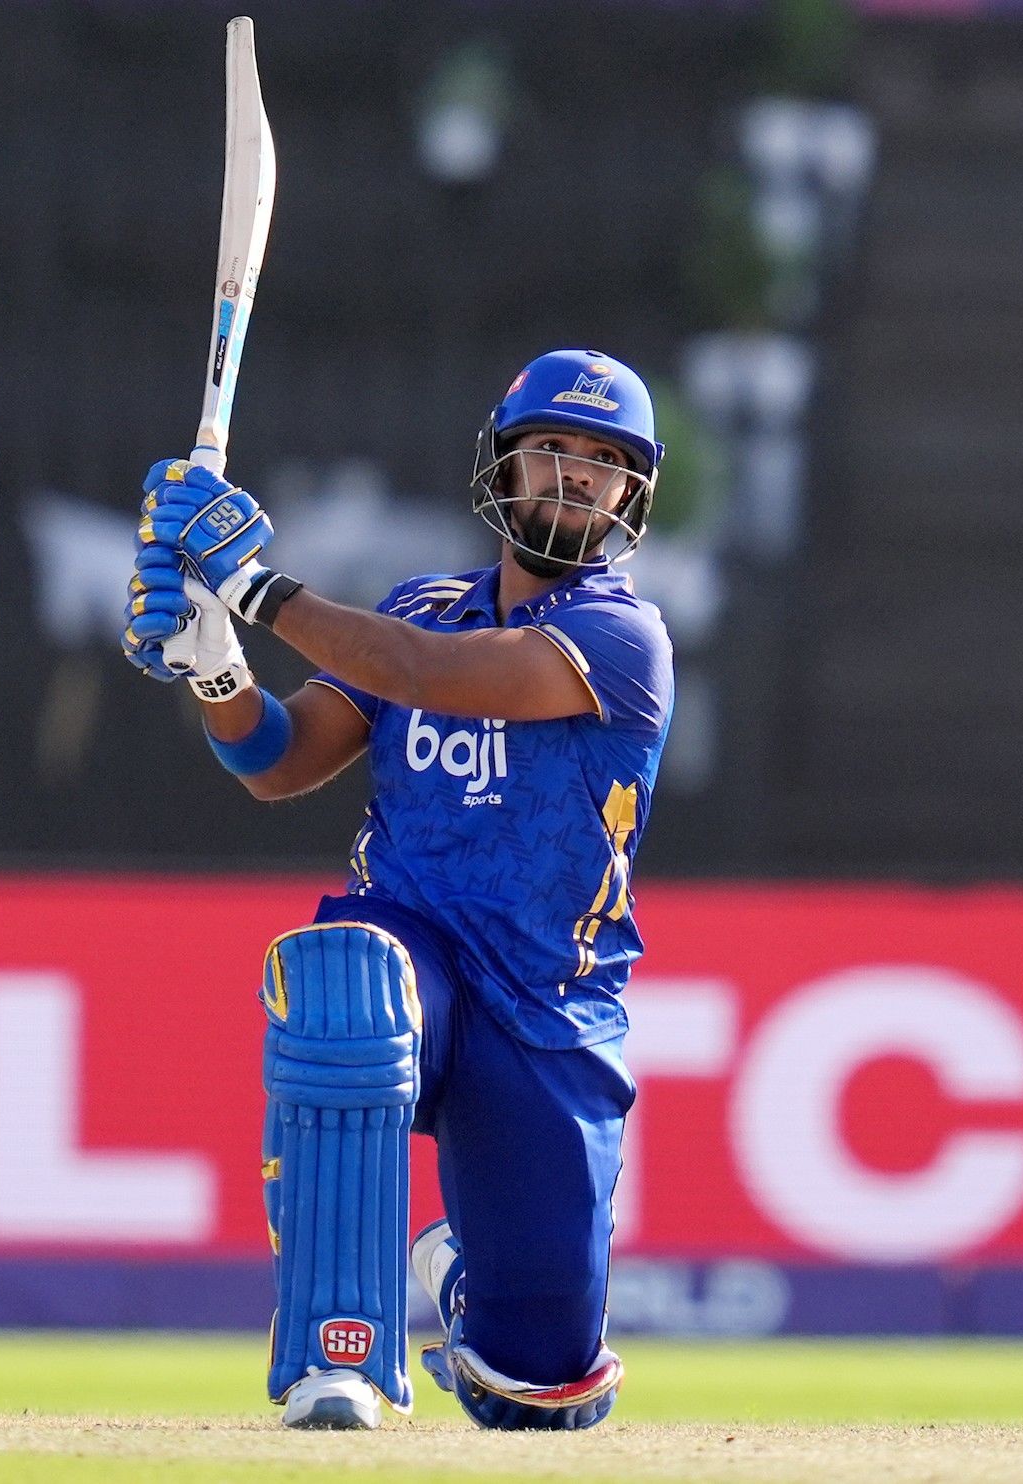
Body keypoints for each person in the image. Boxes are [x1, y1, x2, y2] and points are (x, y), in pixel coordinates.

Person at [123, 349, 672, 1431]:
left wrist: (252, 588)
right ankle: (342, 1355)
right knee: (348, 997)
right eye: (548, 448)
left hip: (548, 1003)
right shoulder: (421, 601)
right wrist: (216, 664)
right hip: (412, 938)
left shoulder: (622, 638)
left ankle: (472, 1279)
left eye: (600, 461)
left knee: (538, 1391)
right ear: (502, 466)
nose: (570, 474)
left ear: (627, 496)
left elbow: (426, 673)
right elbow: (278, 759)